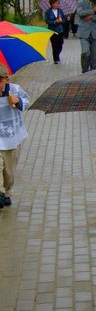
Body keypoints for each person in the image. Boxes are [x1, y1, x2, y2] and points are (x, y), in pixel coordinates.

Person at [0, 65, 30, 209]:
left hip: (11, 138)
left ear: (6, 79)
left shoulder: (15, 90)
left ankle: (7, 190)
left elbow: (27, 103)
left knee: (8, 170)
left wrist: (18, 101)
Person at [44, 0, 66, 64]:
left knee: (60, 44)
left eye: (57, 3)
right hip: (52, 31)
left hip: (60, 30)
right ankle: (56, 59)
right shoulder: (48, 12)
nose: (57, 4)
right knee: (54, 45)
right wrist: (54, 22)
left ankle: (57, 55)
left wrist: (62, 20)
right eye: (56, 3)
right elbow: (47, 20)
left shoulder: (60, 10)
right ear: (52, 4)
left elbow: (63, 18)